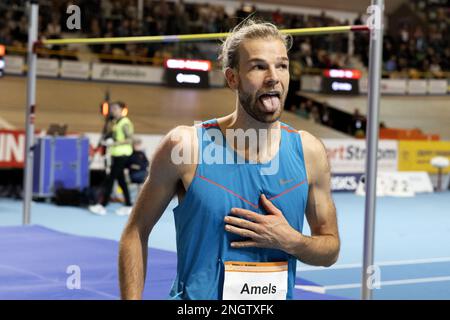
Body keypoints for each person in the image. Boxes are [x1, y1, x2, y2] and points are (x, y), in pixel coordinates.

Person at [119, 19, 340, 300]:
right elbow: (135, 232)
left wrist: (292, 241)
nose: (273, 76)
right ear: (232, 78)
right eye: (259, 67)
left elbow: (330, 249)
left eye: (282, 65)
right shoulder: (186, 146)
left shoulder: (309, 152)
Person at [89, 101, 134, 216]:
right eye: (112, 108)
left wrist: (114, 144)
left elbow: (130, 139)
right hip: (116, 154)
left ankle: (102, 205)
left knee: (110, 179)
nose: (113, 111)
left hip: (123, 154)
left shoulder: (125, 123)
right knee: (121, 181)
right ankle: (129, 205)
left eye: (115, 109)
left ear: (121, 110)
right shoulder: (115, 123)